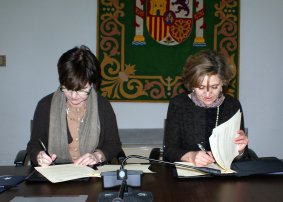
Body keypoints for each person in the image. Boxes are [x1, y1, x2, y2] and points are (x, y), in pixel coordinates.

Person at [27, 45, 122, 167]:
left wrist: (97, 156)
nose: (73, 96)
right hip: (55, 174)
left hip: (92, 174)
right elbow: (34, 144)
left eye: (82, 90)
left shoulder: (102, 106)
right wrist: (39, 155)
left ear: (92, 84)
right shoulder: (45, 105)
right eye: (67, 88)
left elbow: (114, 144)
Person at [164, 50, 249, 166]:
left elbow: (241, 157)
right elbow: (169, 152)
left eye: (214, 87)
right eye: (201, 87)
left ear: (223, 83)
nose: (208, 94)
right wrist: (191, 156)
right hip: (188, 177)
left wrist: (240, 151)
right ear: (192, 84)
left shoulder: (232, 105)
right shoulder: (178, 105)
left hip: (224, 179)